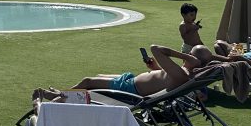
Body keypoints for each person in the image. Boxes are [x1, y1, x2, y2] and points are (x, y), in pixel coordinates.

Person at [65, 44, 213, 97]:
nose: (186, 54)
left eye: (189, 53)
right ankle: (64, 96)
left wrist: (185, 56)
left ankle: (60, 97)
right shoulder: (182, 74)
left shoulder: (182, 74)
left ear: (193, 58)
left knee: (88, 82)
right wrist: (155, 68)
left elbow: (155, 48)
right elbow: (165, 80)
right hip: (130, 80)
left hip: (129, 89)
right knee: (98, 76)